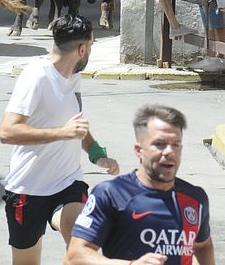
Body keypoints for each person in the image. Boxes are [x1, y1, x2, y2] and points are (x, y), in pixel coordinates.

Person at [0, 15, 119, 265]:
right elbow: (7, 132)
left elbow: (77, 125)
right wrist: (62, 133)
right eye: (92, 46)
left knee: (83, 244)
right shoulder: (36, 77)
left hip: (68, 184)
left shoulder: (72, 76)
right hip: (27, 189)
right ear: (82, 49)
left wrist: (98, 154)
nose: (91, 52)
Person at [65, 105, 214, 265]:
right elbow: (74, 256)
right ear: (138, 150)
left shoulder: (195, 198)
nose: (169, 151)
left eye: (176, 144)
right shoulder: (111, 194)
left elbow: (203, 246)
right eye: (160, 144)